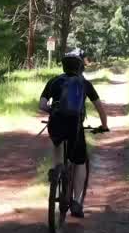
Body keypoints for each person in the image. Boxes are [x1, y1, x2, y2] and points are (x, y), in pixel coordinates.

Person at [39, 48, 108, 217]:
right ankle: (77, 201)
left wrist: (52, 112)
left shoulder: (54, 81)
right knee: (80, 161)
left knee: (57, 142)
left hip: (56, 123)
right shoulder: (84, 83)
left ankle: (56, 170)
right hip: (75, 126)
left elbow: (42, 104)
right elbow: (100, 108)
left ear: (64, 66)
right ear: (80, 68)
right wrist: (104, 125)